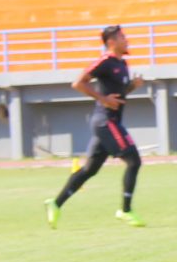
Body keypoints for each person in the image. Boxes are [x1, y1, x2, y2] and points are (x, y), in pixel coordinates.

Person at [46, 24, 146, 228]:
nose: (126, 40)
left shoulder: (123, 64)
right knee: (133, 160)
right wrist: (102, 99)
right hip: (105, 121)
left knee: (89, 170)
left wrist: (131, 87)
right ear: (111, 42)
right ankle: (125, 210)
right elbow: (79, 83)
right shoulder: (105, 62)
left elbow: (118, 95)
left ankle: (55, 204)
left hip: (111, 122)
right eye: (122, 37)